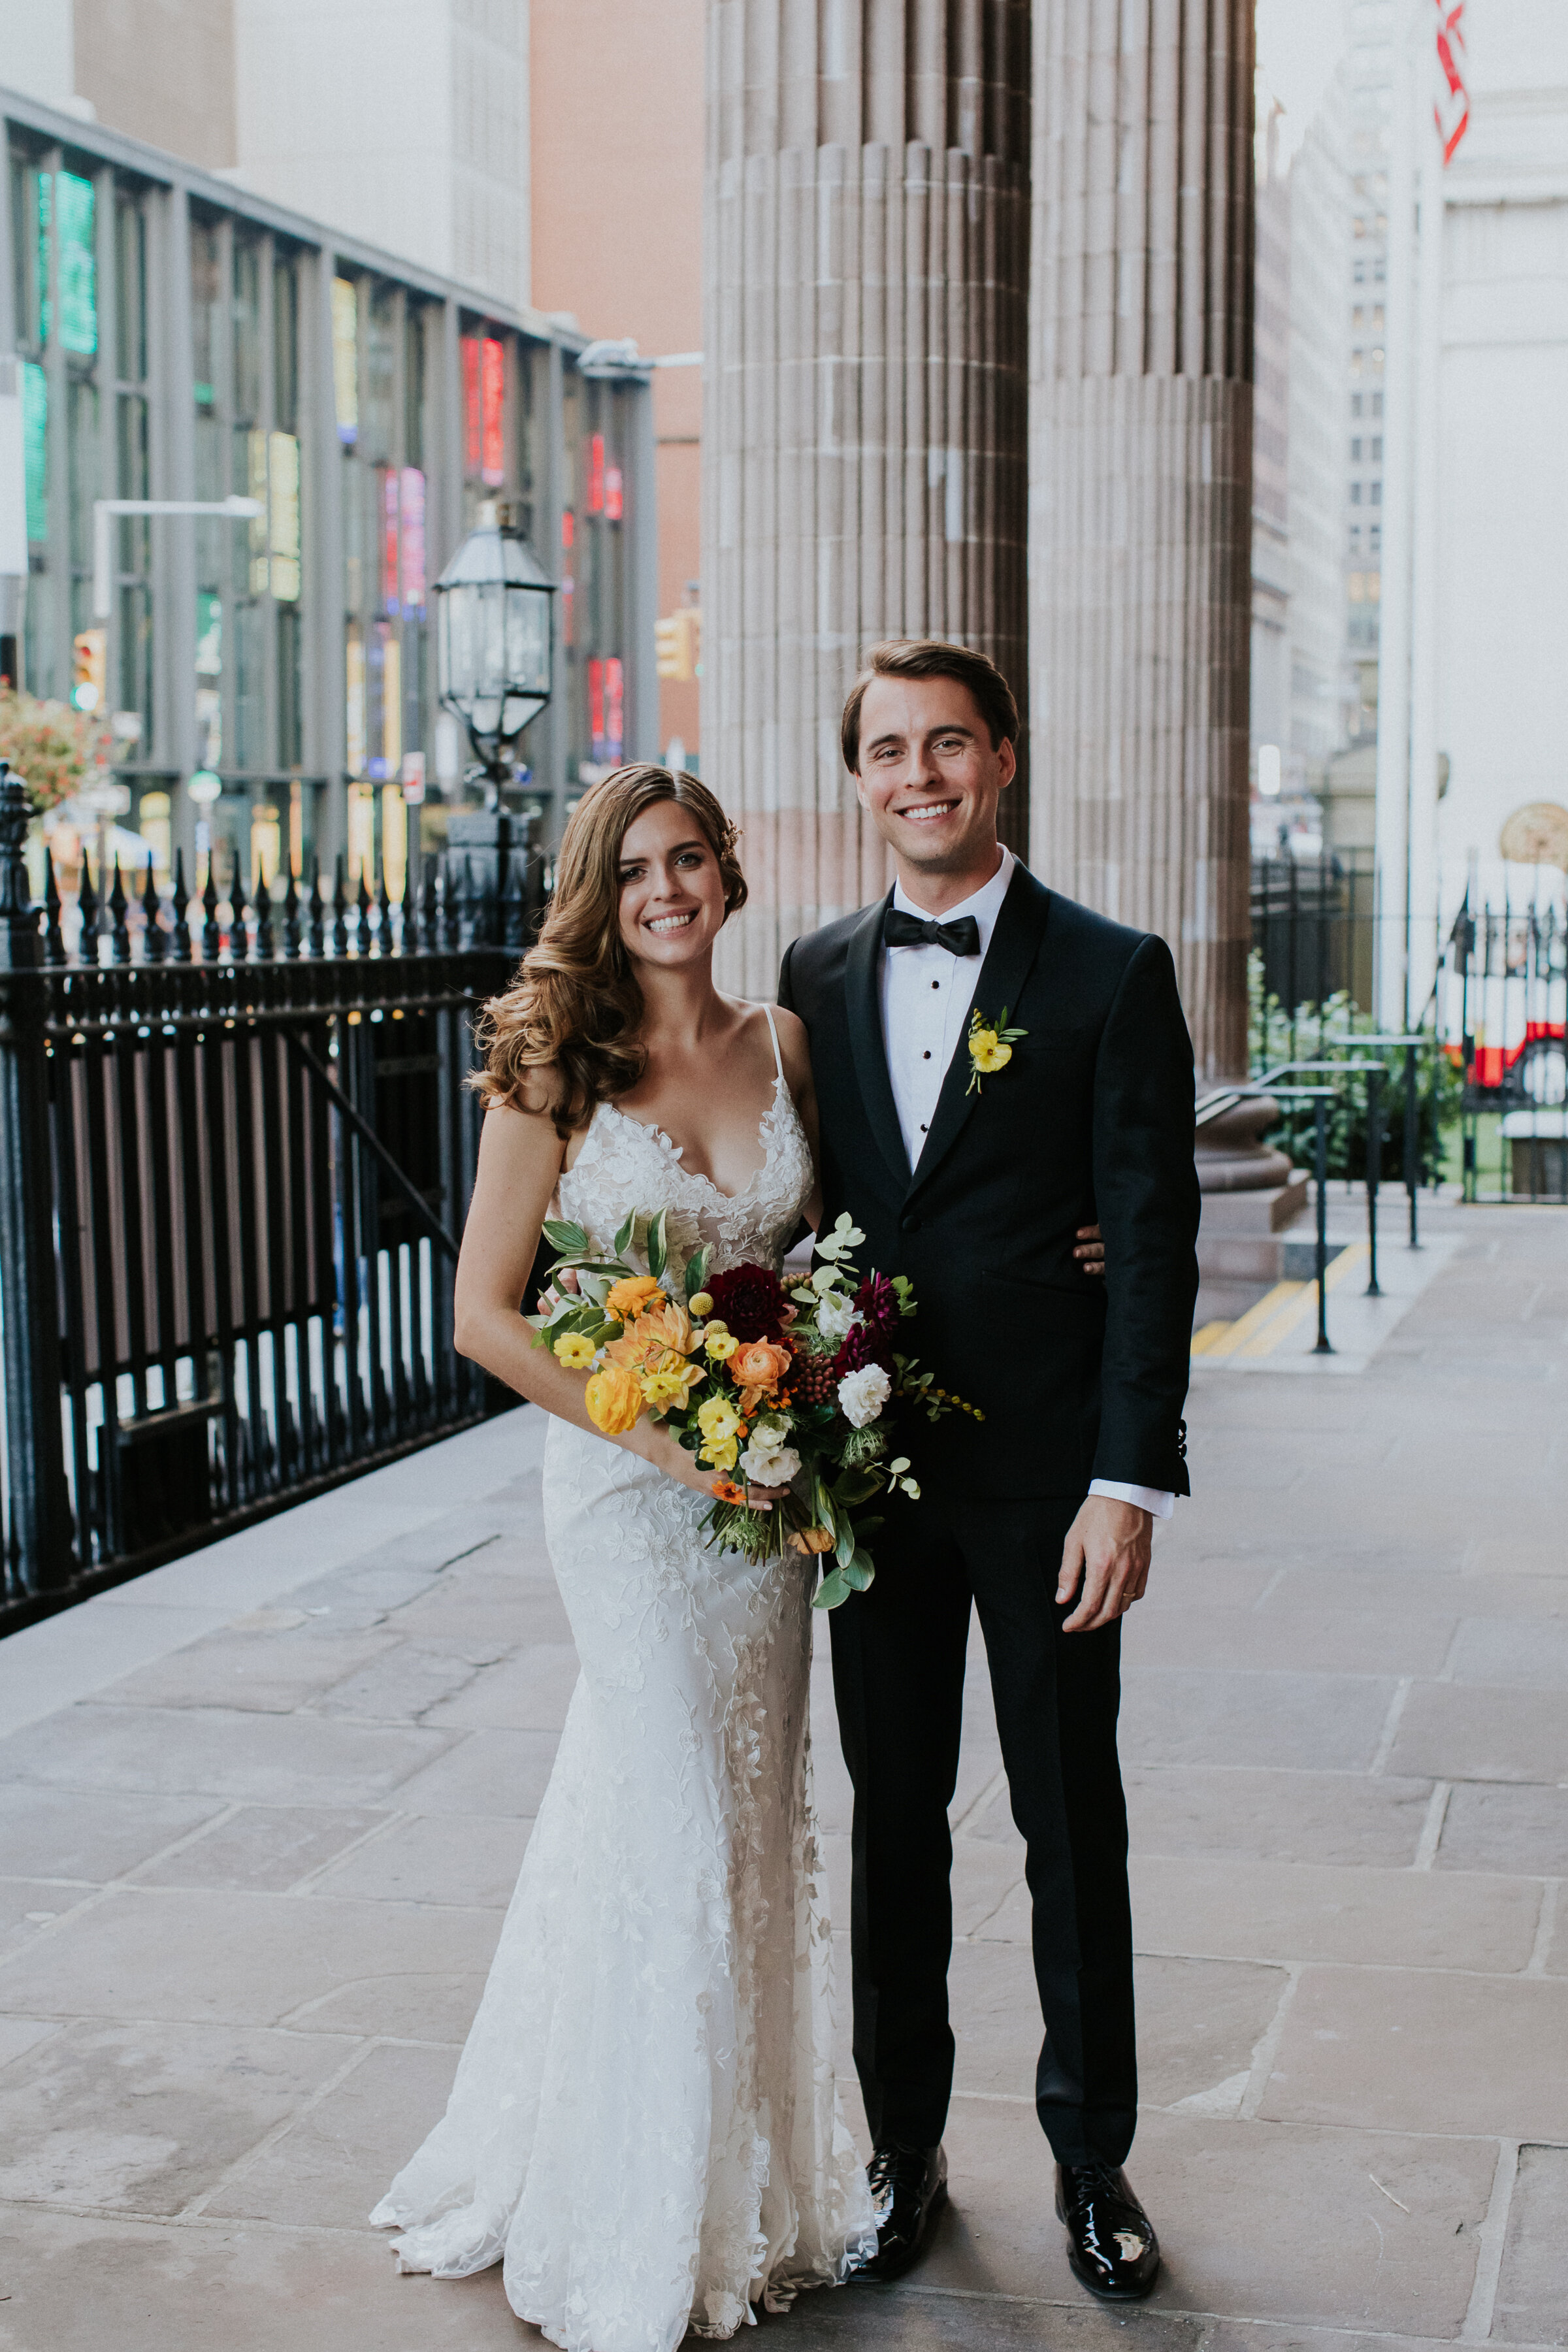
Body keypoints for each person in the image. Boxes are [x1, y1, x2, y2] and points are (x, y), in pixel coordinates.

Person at [371, 766, 876, 2350]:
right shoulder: (557, 1068)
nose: (668, 890)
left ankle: (748, 2183)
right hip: (628, 1491)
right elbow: (483, 1314)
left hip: (767, 1507)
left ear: (728, 873)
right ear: (602, 890)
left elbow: (847, 1256)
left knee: (744, 1822)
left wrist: (811, 1382)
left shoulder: (788, 1044)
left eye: (692, 860)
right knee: (668, 1809)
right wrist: (652, 1433)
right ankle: (639, 2211)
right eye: (637, 868)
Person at [777, 639, 1200, 2305]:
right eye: (889, 752)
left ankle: (1094, 2168)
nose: (920, 777)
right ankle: (904, 2155)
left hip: (1047, 1488)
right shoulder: (806, 974)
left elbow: (1151, 1240)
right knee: (894, 1826)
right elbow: (792, 1204)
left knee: (1066, 1820)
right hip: (866, 1482)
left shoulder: (1111, 970)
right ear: (861, 777)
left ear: (1003, 758)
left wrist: (1130, 1482)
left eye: (948, 745)